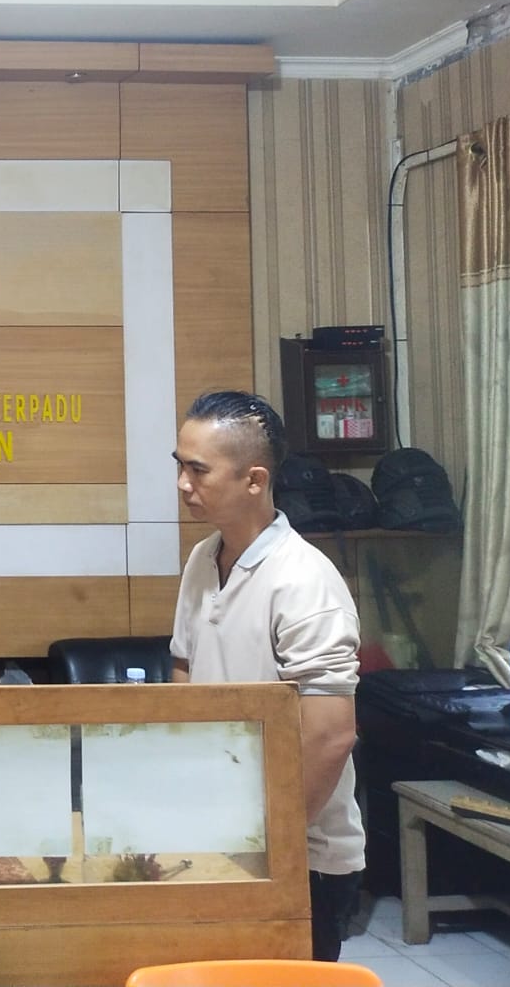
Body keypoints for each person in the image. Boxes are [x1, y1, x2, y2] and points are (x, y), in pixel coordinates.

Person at [169, 390, 363, 961]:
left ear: (254, 480)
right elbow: (184, 667)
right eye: (180, 466)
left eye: (198, 470)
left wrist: (269, 840)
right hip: (218, 833)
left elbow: (330, 735)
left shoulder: (303, 580)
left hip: (299, 854)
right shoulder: (203, 558)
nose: (183, 483)